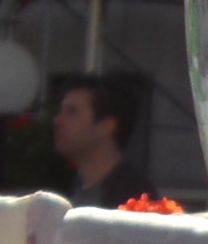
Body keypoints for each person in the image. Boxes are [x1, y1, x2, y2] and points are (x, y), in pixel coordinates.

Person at [51, 74, 151, 208]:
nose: (57, 121)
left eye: (71, 112)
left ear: (106, 126)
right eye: (60, 111)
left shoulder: (135, 200)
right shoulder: (71, 186)